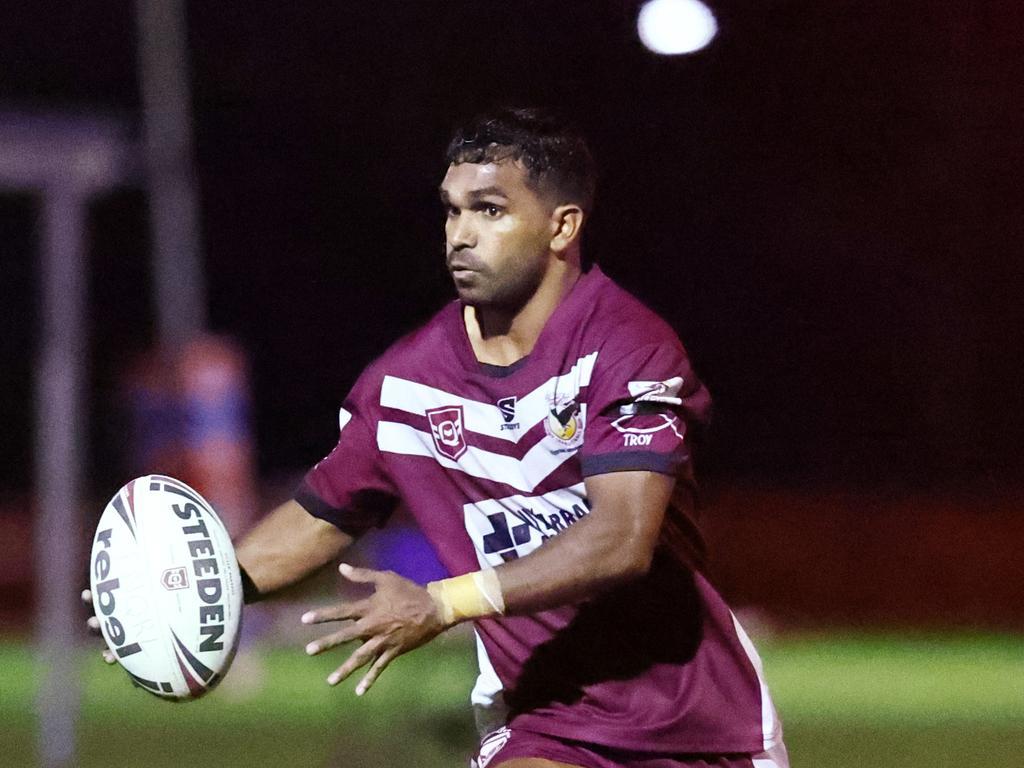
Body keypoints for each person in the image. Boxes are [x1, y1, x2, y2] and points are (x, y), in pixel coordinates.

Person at [92, 107, 788, 768]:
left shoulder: (628, 349)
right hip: (545, 720)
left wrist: (442, 602)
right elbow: (320, 516)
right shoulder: (406, 385)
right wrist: (194, 592)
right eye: (452, 209)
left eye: (490, 210)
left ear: (561, 225)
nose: (460, 233)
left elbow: (620, 539)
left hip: (701, 722)